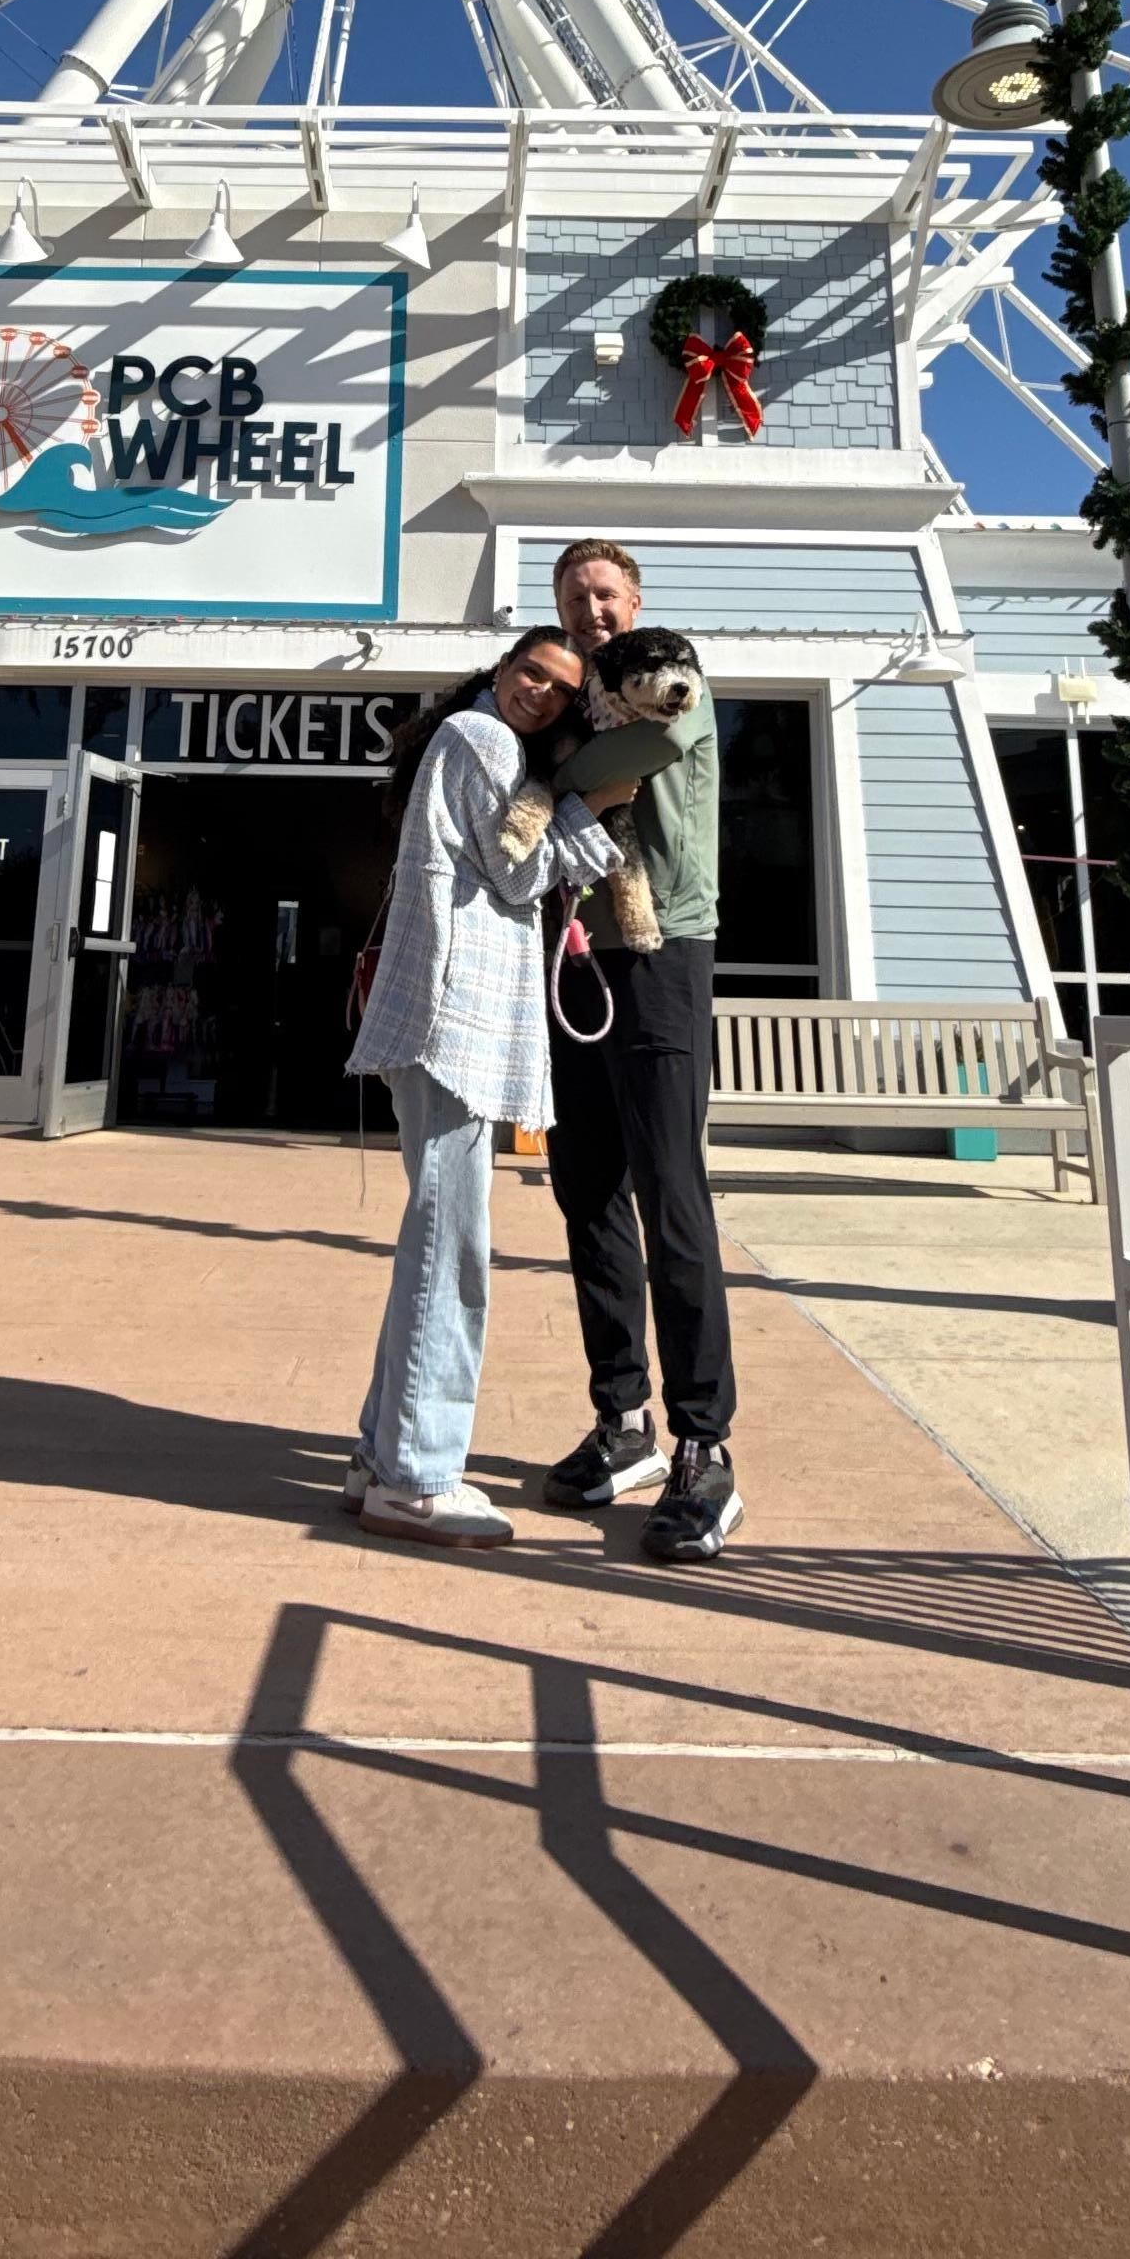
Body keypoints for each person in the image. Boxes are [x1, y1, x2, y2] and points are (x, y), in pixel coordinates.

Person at [342, 632, 625, 1546]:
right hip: (451, 1013)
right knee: (450, 1246)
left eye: (557, 687)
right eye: (528, 673)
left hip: (445, 1011)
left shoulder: (471, 741)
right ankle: (418, 1477)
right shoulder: (482, 740)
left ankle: (380, 1454)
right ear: (499, 673)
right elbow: (516, 866)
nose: (539, 692)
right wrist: (601, 813)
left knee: (435, 1234)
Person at [539, 539, 743, 1561]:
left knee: (671, 1195)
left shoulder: (672, 669)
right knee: (587, 1192)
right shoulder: (567, 689)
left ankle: (706, 1444)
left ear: (636, 599)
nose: (592, 611)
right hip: (576, 955)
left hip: (663, 950)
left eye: (604, 593)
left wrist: (551, 779)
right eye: (576, 597)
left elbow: (643, 754)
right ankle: (625, 1424)